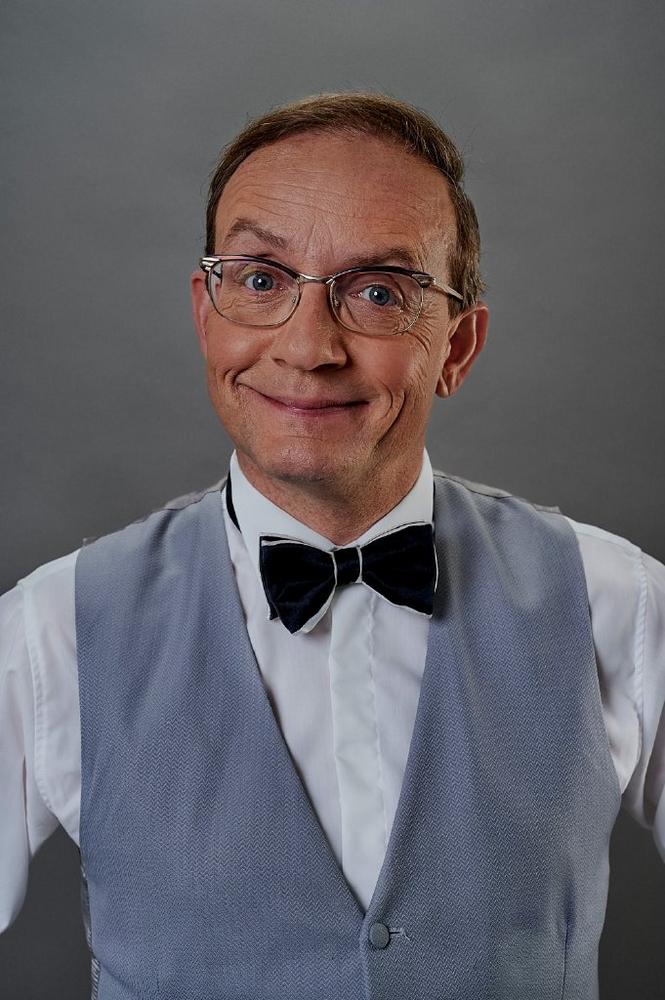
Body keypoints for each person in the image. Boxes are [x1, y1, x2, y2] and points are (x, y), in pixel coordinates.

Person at [1, 91, 663, 999]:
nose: (308, 346)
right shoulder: (53, 628)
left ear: (457, 346)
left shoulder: (617, 601)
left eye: (379, 292)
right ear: (206, 313)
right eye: (260, 280)